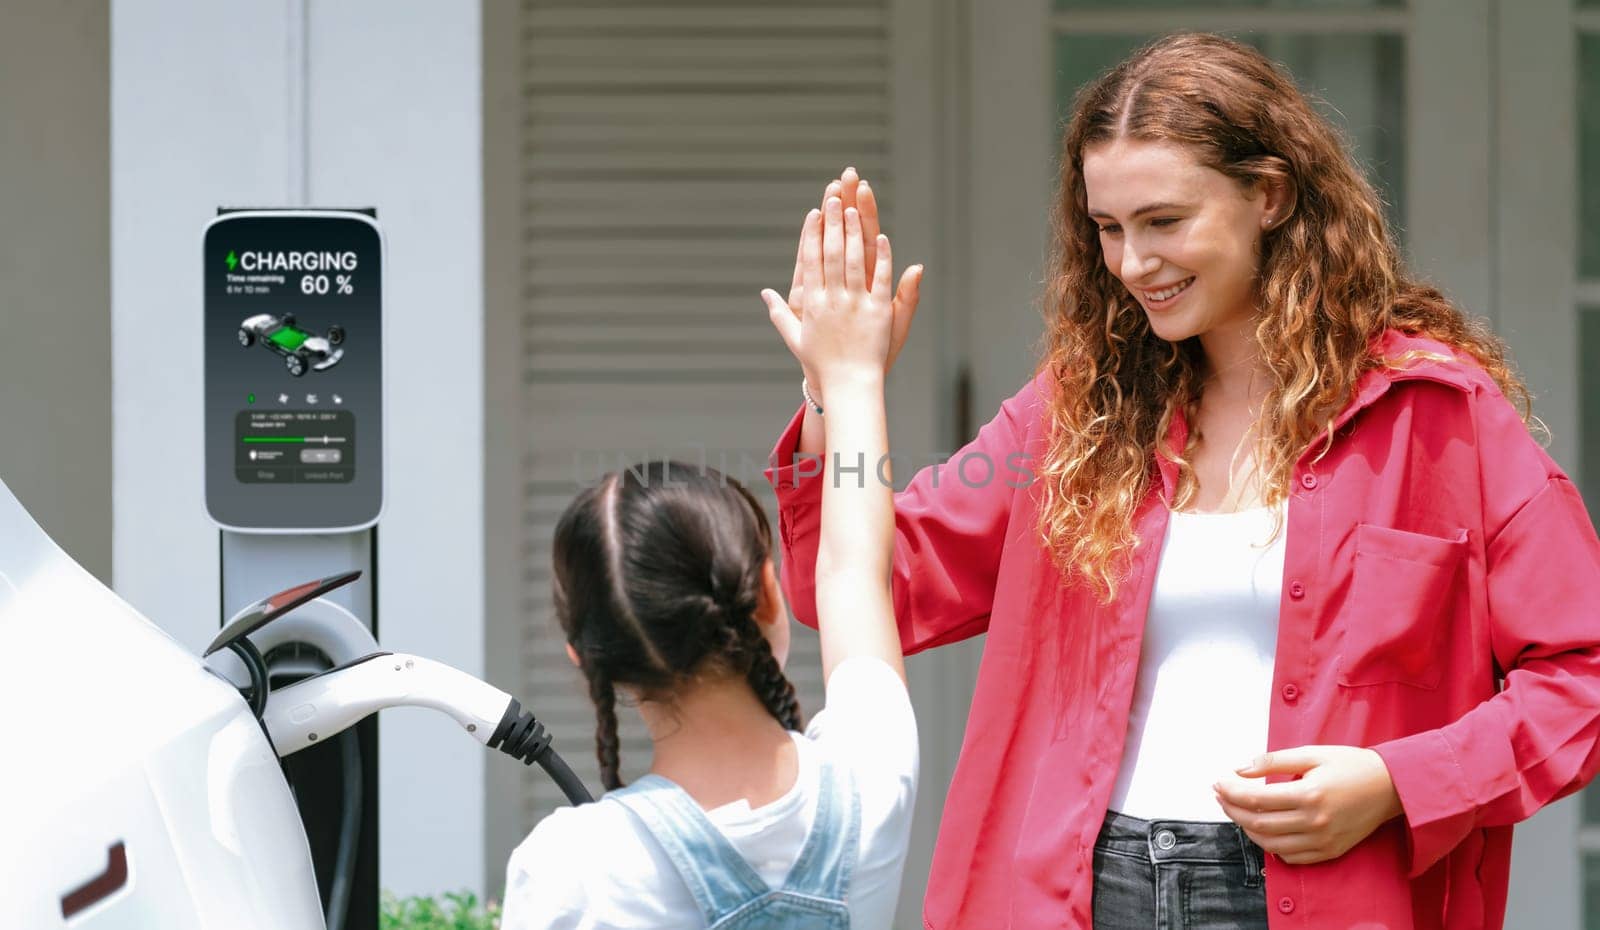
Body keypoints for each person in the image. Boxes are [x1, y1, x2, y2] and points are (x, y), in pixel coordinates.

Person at [759, 31, 1600, 930]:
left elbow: (1581, 677)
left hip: (1329, 894)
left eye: (1164, 222)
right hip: (1084, 891)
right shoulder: (1074, 418)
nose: (1131, 263)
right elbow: (861, 578)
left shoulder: (1440, 418)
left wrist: (1397, 783)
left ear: (1269, 195)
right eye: (1108, 229)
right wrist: (834, 394)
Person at [501, 199, 919, 928]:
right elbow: (854, 568)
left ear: (585, 658)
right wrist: (849, 380)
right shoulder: (872, 783)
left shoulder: (573, 868)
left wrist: (844, 383)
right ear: (766, 592)